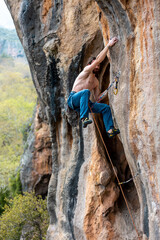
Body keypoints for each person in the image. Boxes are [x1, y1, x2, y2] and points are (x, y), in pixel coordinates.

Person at [67, 37, 120, 138]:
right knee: (85, 92)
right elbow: (99, 59)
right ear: (90, 65)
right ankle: (84, 118)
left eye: (99, 66)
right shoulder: (86, 71)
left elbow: (97, 98)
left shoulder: (95, 82)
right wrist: (108, 45)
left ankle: (110, 130)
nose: (97, 67)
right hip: (73, 99)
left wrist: (108, 89)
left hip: (85, 103)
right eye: (95, 65)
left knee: (105, 108)